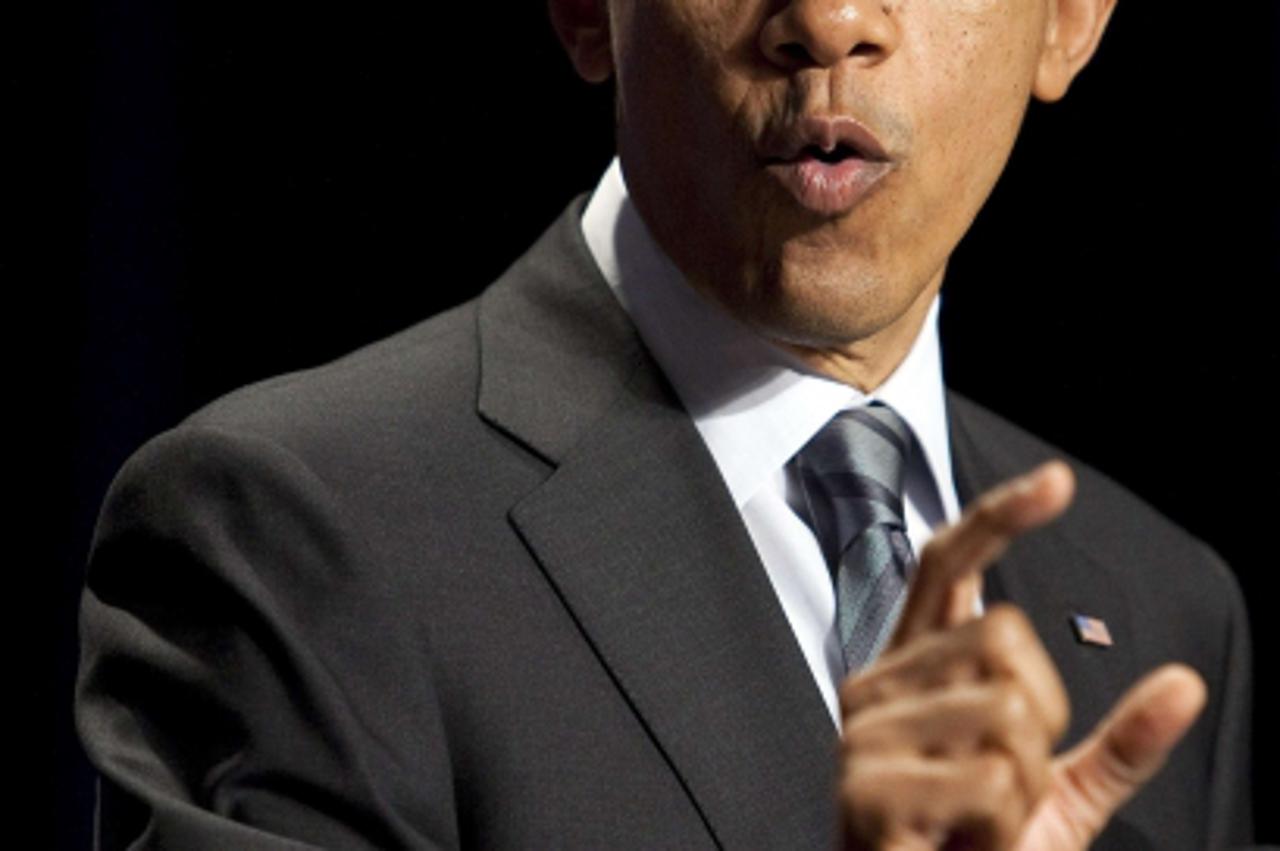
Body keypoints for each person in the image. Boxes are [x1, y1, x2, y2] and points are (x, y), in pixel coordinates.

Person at [76, 0, 1255, 848]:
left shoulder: (1162, 607)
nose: (829, 22)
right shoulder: (287, 531)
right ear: (584, 13)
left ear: (1069, 21)